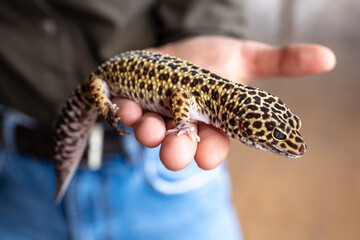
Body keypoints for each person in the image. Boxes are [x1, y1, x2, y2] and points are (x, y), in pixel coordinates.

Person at [0, 0, 335, 239]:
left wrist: (207, 28)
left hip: (160, 189)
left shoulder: (216, 99)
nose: (287, 146)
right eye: (274, 139)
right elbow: (178, 99)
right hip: (17, 175)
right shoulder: (199, 101)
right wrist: (184, 123)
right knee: (92, 101)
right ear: (242, 127)